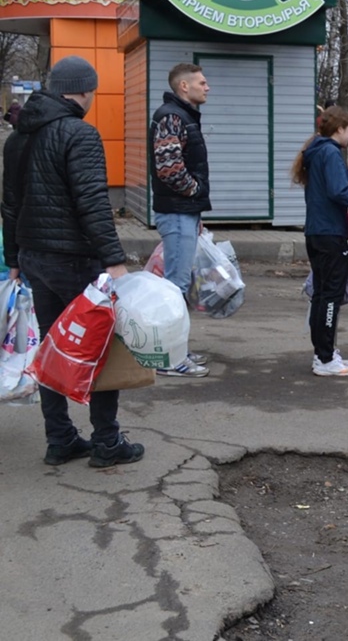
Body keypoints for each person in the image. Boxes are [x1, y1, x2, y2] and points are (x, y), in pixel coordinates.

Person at [1, 56, 142, 467]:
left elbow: (9, 206)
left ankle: (60, 439)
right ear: (82, 91)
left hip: (34, 258)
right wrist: (115, 262)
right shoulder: (79, 134)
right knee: (98, 346)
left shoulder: (17, 139)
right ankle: (107, 443)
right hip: (76, 260)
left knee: (52, 347)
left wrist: (13, 259)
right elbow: (94, 203)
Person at [149, 62, 212, 378]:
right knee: (175, 287)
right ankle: (169, 359)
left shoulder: (182, 116)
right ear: (183, 86)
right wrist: (195, 191)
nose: (207, 86)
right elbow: (170, 169)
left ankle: (177, 350)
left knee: (178, 285)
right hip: (176, 211)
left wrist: (195, 209)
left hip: (183, 211)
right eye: (202, 82)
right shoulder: (172, 116)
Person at [293, 106, 348, 377]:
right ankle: (325, 358)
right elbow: (339, 191)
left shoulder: (315, 151)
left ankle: (322, 354)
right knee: (331, 296)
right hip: (331, 233)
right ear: (339, 130)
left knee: (322, 295)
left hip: (316, 232)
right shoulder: (330, 153)